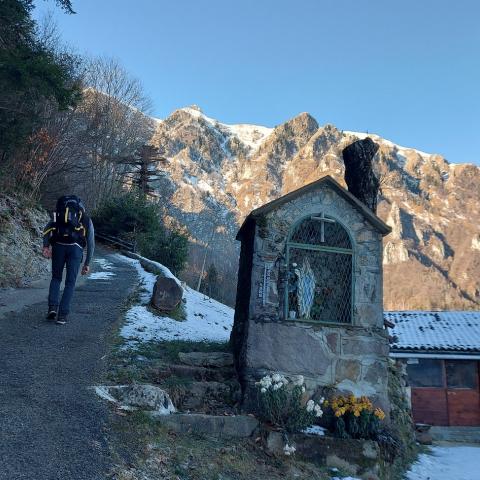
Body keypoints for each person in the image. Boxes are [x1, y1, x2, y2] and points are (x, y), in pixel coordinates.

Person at [42, 195, 95, 325]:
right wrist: (87, 263)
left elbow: (47, 229)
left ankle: (52, 308)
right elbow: (91, 243)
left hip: (58, 246)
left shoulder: (58, 215)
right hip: (75, 249)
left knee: (56, 278)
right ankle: (62, 316)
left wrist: (46, 246)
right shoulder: (86, 219)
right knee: (70, 283)